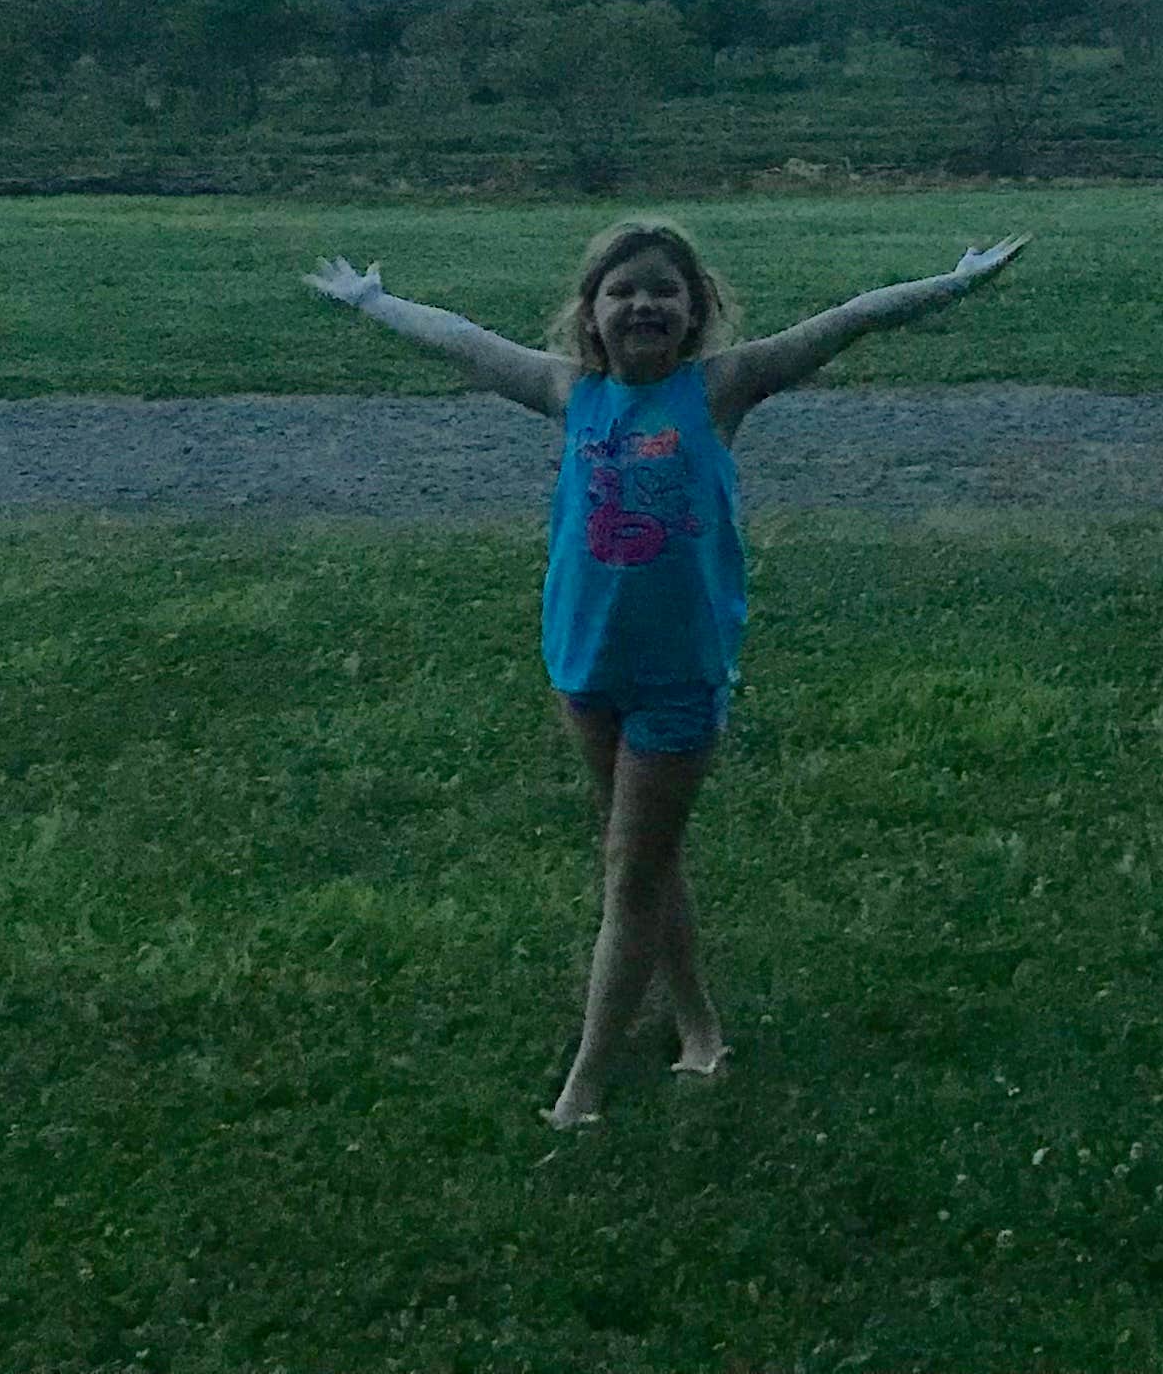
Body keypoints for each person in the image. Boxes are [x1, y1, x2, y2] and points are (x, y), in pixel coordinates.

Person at [305, 216, 1030, 1126]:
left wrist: (952, 284)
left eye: (664, 290)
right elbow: (462, 342)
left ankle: (584, 1086)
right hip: (583, 664)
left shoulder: (721, 388)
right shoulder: (569, 391)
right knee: (643, 856)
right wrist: (372, 302)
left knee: (631, 872)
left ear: (694, 311)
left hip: (679, 674)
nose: (642, 304)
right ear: (590, 312)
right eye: (622, 290)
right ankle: (699, 1029)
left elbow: (850, 319)